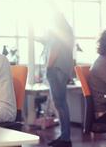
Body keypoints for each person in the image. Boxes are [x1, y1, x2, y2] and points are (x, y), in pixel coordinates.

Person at [45, 12, 74, 147]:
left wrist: (47, 67)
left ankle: (65, 138)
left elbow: (54, 51)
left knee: (60, 105)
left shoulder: (57, 34)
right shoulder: (67, 34)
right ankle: (64, 136)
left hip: (55, 70)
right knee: (62, 104)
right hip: (63, 71)